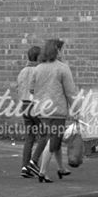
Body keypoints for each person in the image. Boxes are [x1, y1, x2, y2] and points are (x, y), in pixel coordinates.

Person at [27, 38, 78, 183]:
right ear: (57, 50)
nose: (63, 52)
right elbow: (70, 92)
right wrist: (76, 109)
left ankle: (61, 168)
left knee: (54, 139)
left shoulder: (38, 68)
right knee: (54, 141)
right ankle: (42, 172)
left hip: (42, 110)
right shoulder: (62, 68)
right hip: (57, 110)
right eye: (62, 49)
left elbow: (31, 88)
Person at [17, 45, 43, 178]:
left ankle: (24, 166)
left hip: (24, 105)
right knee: (45, 135)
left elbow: (19, 88)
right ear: (39, 57)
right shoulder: (39, 71)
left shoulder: (22, 71)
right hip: (35, 105)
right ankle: (35, 162)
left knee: (29, 138)